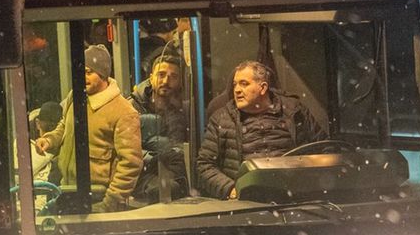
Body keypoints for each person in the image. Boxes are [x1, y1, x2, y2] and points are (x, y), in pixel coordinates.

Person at [196, 60, 327, 200]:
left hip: (295, 197)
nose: (237, 90)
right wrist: (230, 189)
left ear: (263, 88)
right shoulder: (221, 119)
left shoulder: (294, 111)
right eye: (235, 85)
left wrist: (312, 183)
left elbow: (326, 149)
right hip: (245, 202)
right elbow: (204, 166)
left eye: (244, 84)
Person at [34, 44, 142, 212]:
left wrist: (109, 203)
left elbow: (131, 163)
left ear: (103, 74)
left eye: (89, 72)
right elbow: (64, 126)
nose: (83, 77)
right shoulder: (75, 96)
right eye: (80, 72)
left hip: (99, 197)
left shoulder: (124, 112)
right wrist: (49, 140)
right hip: (68, 190)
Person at [129, 52, 190, 201]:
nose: (166, 81)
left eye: (173, 76)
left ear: (181, 82)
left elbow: (181, 147)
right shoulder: (131, 107)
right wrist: (152, 158)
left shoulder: (184, 110)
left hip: (172, 175)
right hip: (140, 174)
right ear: (151, 78)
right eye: (161, 74)